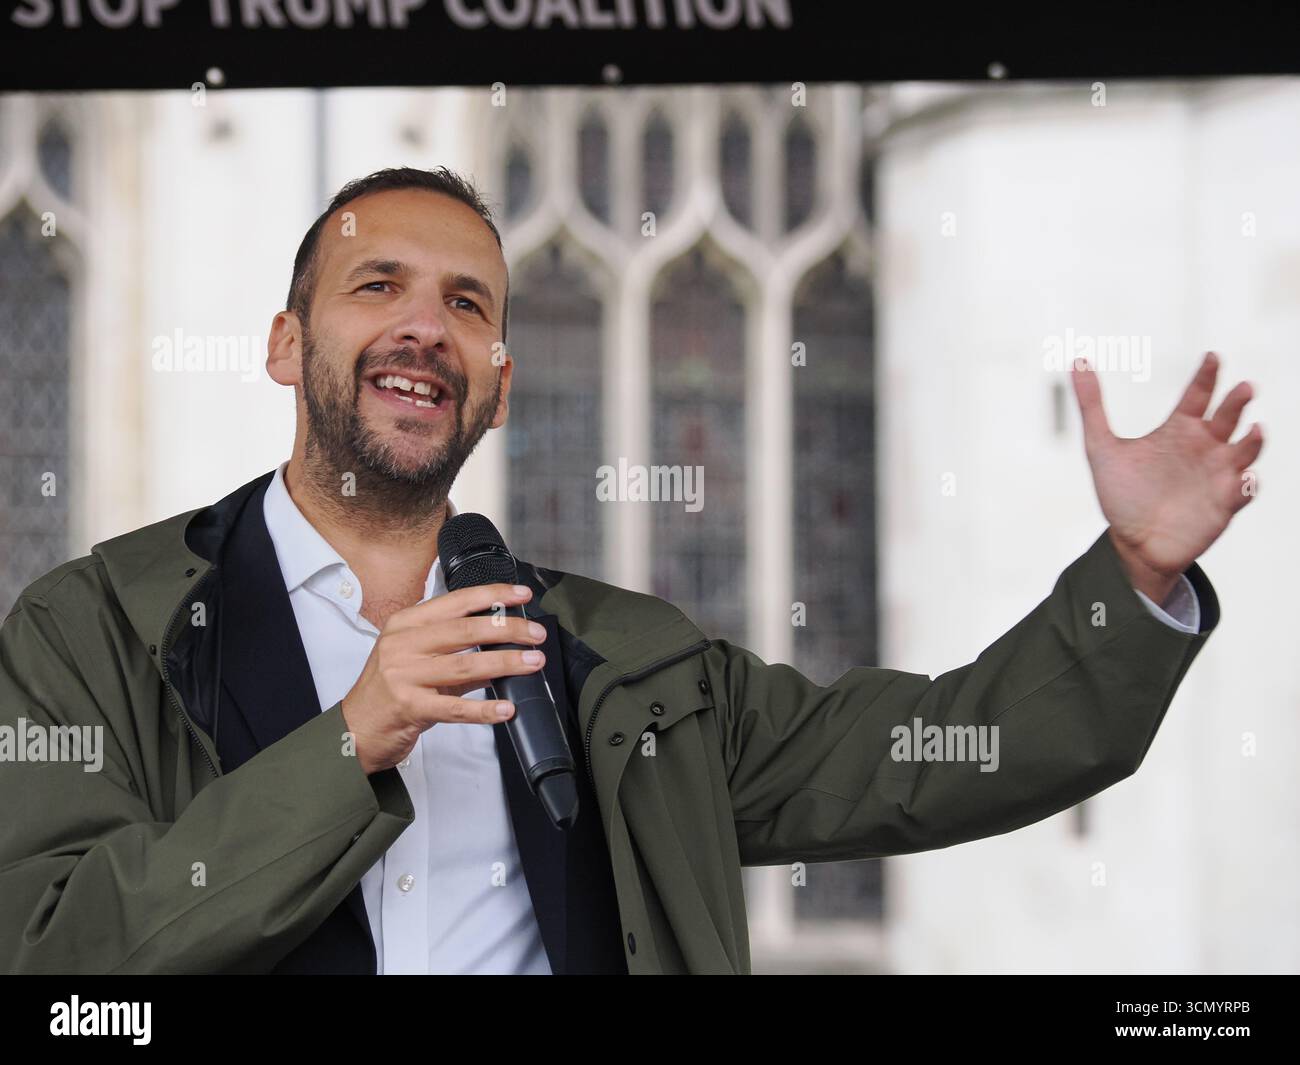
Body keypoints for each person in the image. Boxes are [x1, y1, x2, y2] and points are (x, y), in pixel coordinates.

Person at [0, 167, 1263, 974]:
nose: (424, 327)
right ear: (286, 345)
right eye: (376, 285)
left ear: (499, 384)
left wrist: (1134, 571)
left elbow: (936, 755)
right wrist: (354, 741)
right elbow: (57, 957)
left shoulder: (628, 665)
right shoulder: (97, 629)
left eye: (469, 307)